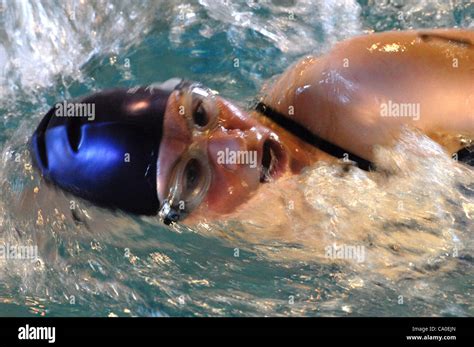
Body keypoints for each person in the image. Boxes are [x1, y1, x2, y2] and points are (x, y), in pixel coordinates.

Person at [31, 29, 474, 224]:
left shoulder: (362, 85)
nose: (237, 144)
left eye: (201, 114)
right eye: (193, 175)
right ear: (182, 219)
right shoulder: (250, 250)